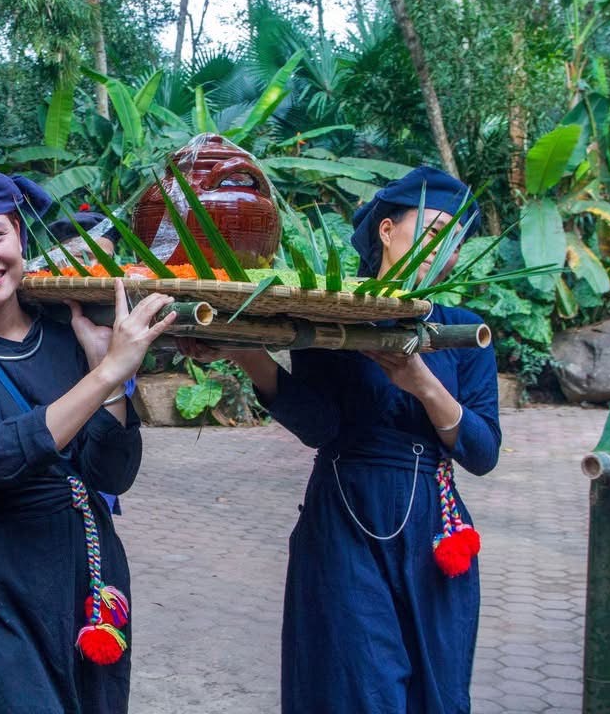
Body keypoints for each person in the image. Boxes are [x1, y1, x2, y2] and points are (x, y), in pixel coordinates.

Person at [179, 166, 501, 714]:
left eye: (454, 242)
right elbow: (321, 428)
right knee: (358, 688)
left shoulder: (464, 329)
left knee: (438, 691)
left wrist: (422, 384)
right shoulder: (328, 313)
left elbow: (483, 452)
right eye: (429, 231)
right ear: (387, 230)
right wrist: (249, 356)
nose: (440, 251)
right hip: (346, 517)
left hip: (435, 528)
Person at [0, 165, 176, 713]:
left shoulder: (67, 333)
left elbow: (111, 476)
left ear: (19, 237)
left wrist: (106, 376)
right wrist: (107, 374)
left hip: (87, 565)